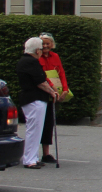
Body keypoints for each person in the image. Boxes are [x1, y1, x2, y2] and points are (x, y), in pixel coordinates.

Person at [16, 37, 60, 169]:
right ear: (37, 50)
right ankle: (29, 159)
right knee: (34, 130)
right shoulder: (31, 62)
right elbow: (40, 81)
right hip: (34, 99)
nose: (42, 51)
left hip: (32, 98)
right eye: (41, 49)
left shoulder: (25, 61)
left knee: (35, 130)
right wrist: (52, 92)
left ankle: (32, 157)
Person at [37, 32, 70, 164]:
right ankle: (34, 152)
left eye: (47, 42)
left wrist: (65, 89)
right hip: (42, 92)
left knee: (49, 122)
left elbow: (61, 73)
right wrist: (52, 88)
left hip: (54, 93)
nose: (45, 45)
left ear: (52, 44)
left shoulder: (55, 56)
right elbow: (41, 75)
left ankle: (46, 153)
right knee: (40, 123)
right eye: (42, 43)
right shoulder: (37, 57)